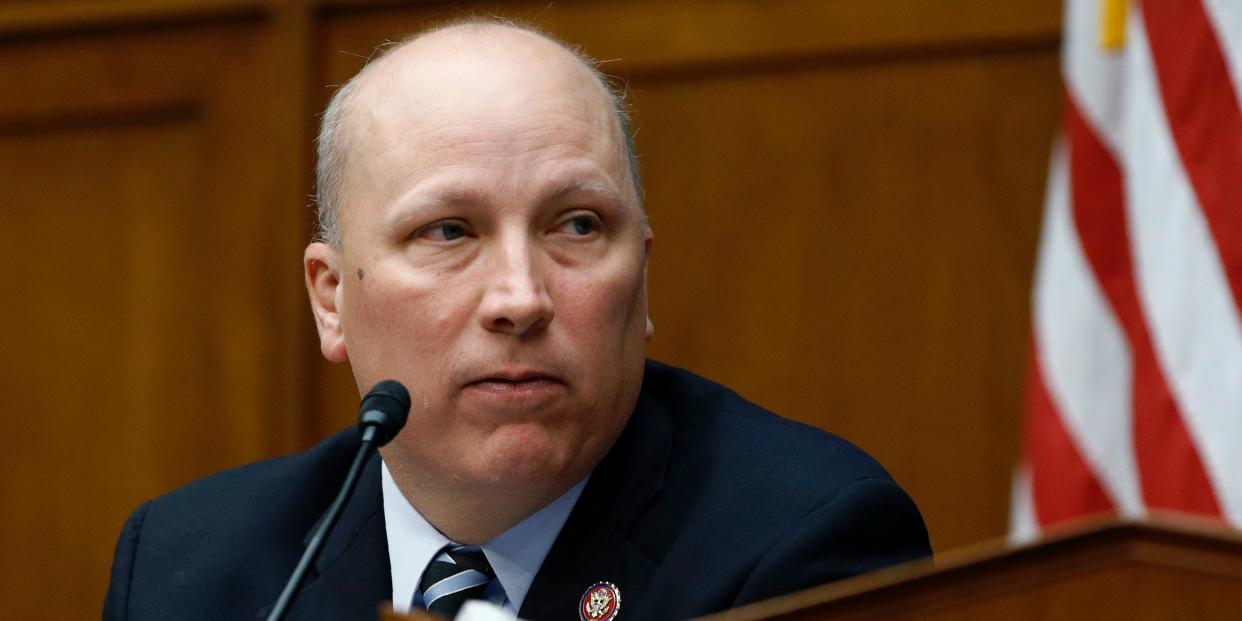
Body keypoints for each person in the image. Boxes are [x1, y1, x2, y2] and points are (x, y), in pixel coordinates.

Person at [104, 18, 931, 621]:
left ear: (640, 275)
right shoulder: (192, 565)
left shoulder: (802, 547)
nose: (520, 298)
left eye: (576, 225)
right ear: (331, 299)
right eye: (449, 231)